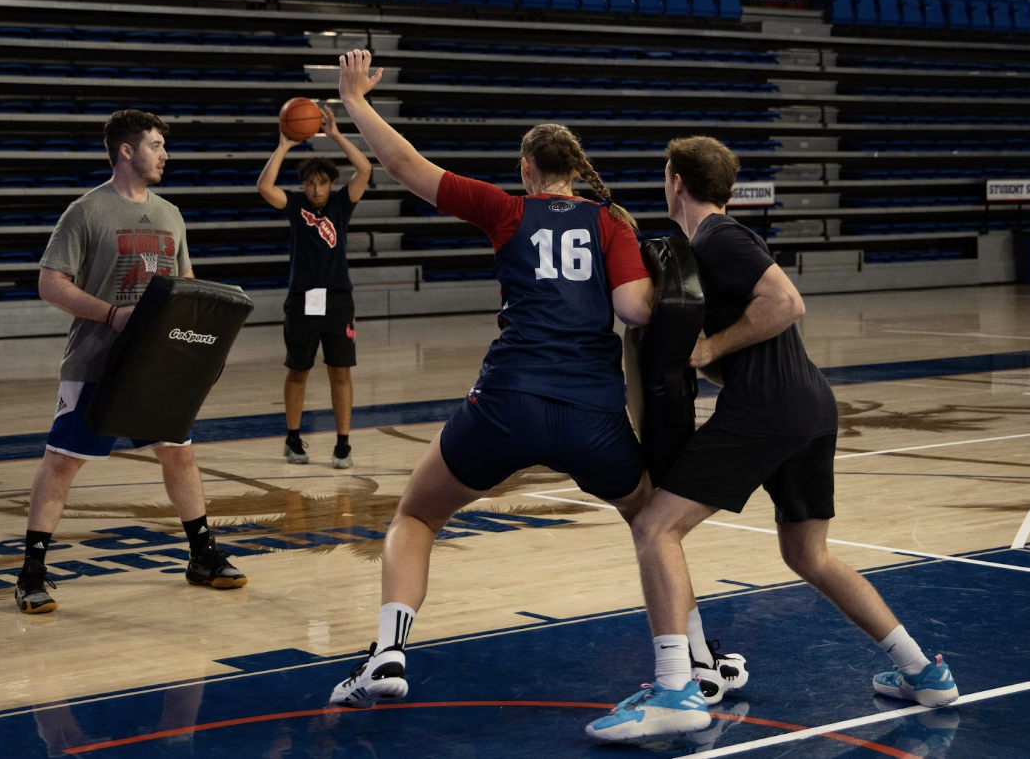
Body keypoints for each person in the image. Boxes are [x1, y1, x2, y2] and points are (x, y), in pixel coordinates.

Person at [586, 136, 958, 744]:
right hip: (806, 406)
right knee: (807, 555)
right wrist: (696, 357)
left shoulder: (719, 237)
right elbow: (738, 338)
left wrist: (707, 348)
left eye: (664, 173)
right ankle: (925, 671)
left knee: (656, 526)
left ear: (676, 181)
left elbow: (786, 302)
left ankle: (677, 688)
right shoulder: (699, 251)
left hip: (768, 409)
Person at [328, 49, 655, 709]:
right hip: (592, 412)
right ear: (575, 170)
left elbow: (403, 166)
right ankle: (693, 656)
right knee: (653, 521)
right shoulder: (610, 221)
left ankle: (388, 653)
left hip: (506, 402)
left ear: (527, 169)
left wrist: (356, 100)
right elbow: (634, 311)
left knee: (418, 513)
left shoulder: (507, 211)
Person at [14, 109, 247, 615]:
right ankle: (31, 570)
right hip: (96, 363)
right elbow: (50, 284)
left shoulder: (170, 214)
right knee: (62, 462)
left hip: (158, 367)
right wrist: (112, 315)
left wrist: (200, 344)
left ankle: (202, 555)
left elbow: (185, 285)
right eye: (157, 145)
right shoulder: (86, 211)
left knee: (178, 454)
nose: (165, 154)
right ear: (127, 150)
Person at [256, 104, 372, 468]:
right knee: (299, 369)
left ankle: (343, 444)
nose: (316, 188)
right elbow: (264, 186)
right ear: (304, 186)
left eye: (322, 182)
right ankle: (292, 440)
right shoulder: (294, 205)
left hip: (338, 300)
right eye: (310, 183)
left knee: (340, 371)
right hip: (301, 300)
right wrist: (284, 146)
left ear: (331, 184)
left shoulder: (342, 203)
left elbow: (365, 168)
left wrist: (336, 135)